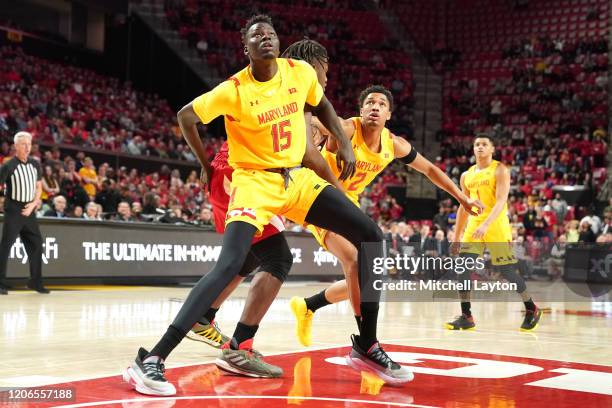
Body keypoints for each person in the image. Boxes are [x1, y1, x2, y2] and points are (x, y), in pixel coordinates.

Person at [123, 16, 411, 397]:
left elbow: (322, 105)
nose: (266, 39)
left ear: (279, 42)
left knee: (371, 235)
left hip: (295, 179)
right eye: (257, 36)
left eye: (271, 34)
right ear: (246, 47)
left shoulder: (299, 72)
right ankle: (153, 357)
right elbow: (186, 116)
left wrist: (342, 143)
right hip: (254, 182)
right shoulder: (234, 89)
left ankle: (367, 345)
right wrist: (205, 164)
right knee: (232, 263)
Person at [290, 85, 483, 347]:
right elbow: (318, 121)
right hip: (318, 196)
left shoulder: (393, 144)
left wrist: (462, 197)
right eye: (369, 103)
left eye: (381, 104)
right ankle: (365, 340)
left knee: (369, 273)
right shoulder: (348, 128)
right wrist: (312, 125)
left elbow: (429, 169)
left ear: (389, 114)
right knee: (356, 261)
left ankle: (308, 305)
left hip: (348, 203)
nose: (375, 107)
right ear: (361, 110)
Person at [446, 135, 542, 331]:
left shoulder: (500, 169)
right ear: (473, 149)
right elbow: (464, 207)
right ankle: (467, 315)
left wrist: (486, 225)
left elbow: (501, 201)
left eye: (484, 144)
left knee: (506, 270)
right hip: (475, 225)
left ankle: (532, 308)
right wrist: (456, 237)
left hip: (496, 224)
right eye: (477, 144)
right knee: (463, 267)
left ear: (492, 149)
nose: (480, 147)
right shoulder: (467, 175)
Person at [0, 132, 49, 294]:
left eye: (29, 144)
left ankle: (35, 282)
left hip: (30, 211)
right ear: (15, 147)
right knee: (5, 246)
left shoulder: (35, 164)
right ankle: (0, 282)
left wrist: (33, 205)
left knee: (36, 245)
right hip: (14, 210)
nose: (27, 147)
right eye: (23, 144)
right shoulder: (8, 165)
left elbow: (39, 188)